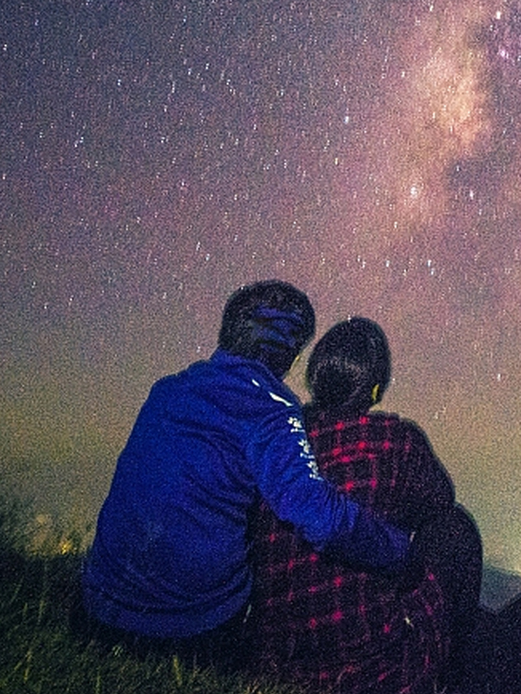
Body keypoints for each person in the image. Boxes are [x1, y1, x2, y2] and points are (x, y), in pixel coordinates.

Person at [75, 281, 413, 670]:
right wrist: (398, 553)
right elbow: (317, 514)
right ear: (290, 352)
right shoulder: (271, 410)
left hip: (95, 611)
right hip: (184, 633)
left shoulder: (167, 390)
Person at [248, 317, 484, 694]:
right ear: (375, 386)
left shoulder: (280, 438)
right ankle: (450, 681)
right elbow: (440, 501)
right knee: (455, 529)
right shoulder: (396, 440)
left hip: (277, 661)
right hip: (374, 676)